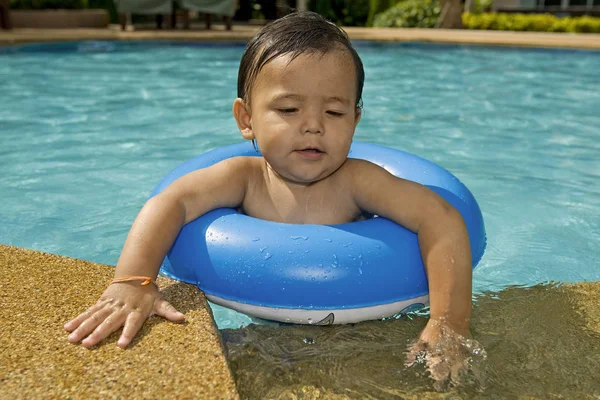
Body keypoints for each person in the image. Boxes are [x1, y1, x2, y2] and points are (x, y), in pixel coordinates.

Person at [65, 11, 476, 387]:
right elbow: (171, 203)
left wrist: (448, 322)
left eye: (334, 113)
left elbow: (440, 218)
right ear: (247, 119)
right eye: (289, 109)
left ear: (355, 118)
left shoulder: (360, 181)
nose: (313, 126)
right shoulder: (242, 178)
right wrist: (134, 281)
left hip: (363, 319)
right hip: (262, 323)